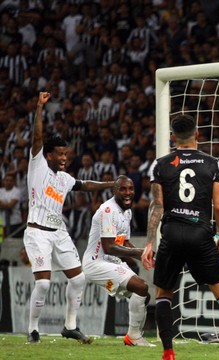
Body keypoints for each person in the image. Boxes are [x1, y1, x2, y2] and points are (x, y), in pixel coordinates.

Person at [141, 114, 219, 360]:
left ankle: (169, 353)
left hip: (171, 233)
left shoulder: (159, 164)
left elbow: (157, 206)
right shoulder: (213, 163)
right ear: (197, 135)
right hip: (200, 233)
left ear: (172, 137)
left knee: (163, 294)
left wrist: (149, 242)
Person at [24, 92, 114, 344]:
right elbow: (38, 137)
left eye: (66, 154)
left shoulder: (65, 179)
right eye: (60, 154)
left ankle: (70, 326)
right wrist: (39, 107)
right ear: (48, 155)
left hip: (59, 233)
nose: (64, 158)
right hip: (37, 232)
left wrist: (111, 184)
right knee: (43, 285)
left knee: (79, 278)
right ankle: (32, 330)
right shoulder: (37, 165)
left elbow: (85, 185)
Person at [82, 175, 155, 347]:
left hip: (111, 262)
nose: (127, 193)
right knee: (141, 287)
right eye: (122, 189)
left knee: (143, 294)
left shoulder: (127, 211)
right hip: (96, 263)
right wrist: (141, 252)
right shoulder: (108, 210)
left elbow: (123, 241)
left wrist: (139, 258)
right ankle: (133, 337)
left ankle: (135, 336)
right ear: (114, 191)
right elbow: (109, 246)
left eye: (130, 189)